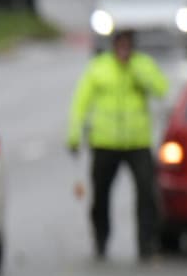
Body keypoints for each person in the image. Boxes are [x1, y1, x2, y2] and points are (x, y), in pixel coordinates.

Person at [69, 28, 170, 260]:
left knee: (147, 192)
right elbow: (80, 103)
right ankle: (101, 239)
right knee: (101, 195)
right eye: (120, 44)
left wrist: (135, 70)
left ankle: (146, 242)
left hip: (137, 141)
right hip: (105, 143)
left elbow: (161, 88)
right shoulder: (99, 68)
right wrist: (74, 136)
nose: (124, 49)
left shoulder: (142, 65)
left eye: (128, 44)